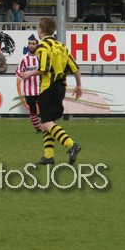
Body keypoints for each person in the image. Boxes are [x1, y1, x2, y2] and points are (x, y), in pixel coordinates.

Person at [33, 16, 83, 166]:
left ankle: (71, 145)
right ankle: (48, 156)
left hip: (48, 88)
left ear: (40, 30)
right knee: (48, 121)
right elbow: (75, 68)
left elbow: (44, 69)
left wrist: (29, 73)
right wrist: (79, 85)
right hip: (61, 87)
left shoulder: (42, 47)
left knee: (46, 123)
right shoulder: (61, 46)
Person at [16, 34, 43, 133]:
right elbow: (18, 71)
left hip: (41, 88)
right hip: (29, 89)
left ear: (37, 45)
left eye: (33, 44)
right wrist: (23, 75)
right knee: (32, 109)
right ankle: (38, 129)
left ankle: (46, 126)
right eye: (30, 44)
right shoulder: (24, 59)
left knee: (44, 108)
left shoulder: (41, 58)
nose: (31, 45)